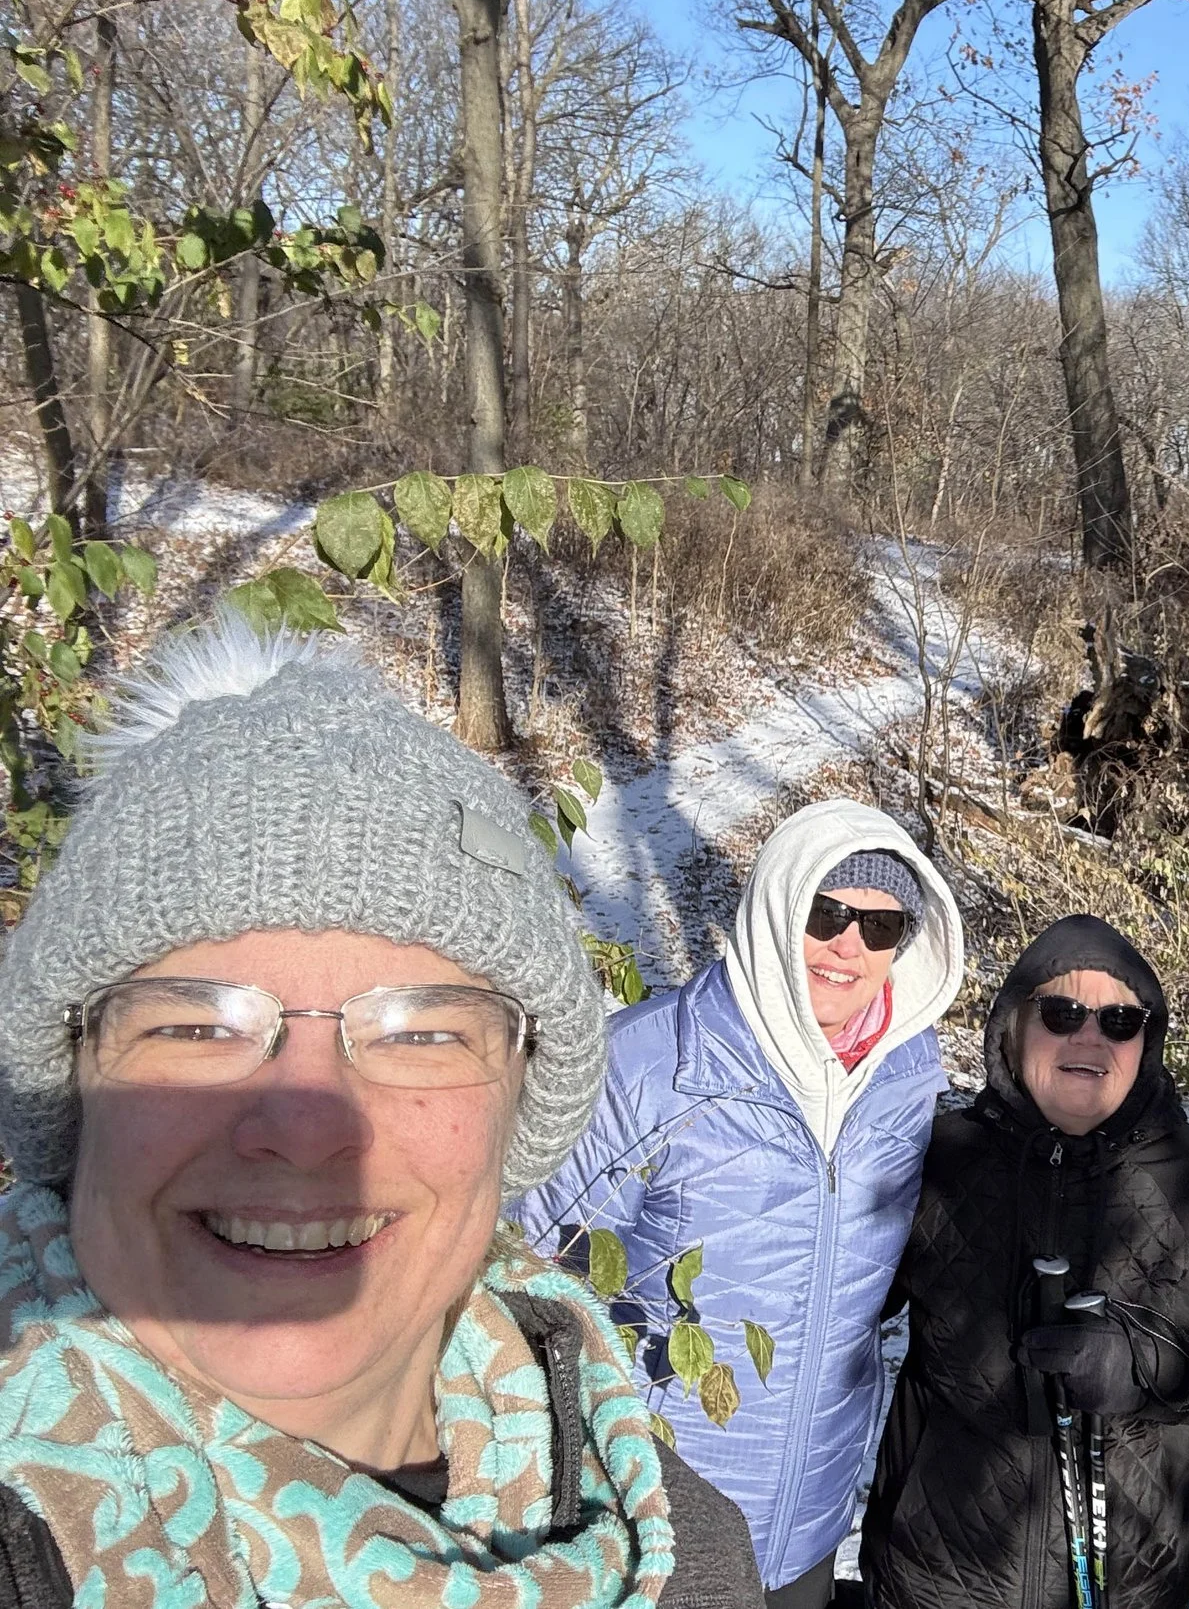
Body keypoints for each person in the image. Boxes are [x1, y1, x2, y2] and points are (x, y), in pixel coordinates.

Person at [0, 612, 762, 1607]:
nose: (308, 1124)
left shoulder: (681, 1552)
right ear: (71, 1084)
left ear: (521, 1104)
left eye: (420, 1030)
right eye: (195, 1026)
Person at [514, 799, 965, 1606]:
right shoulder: (650, 1065)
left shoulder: (906, 1080)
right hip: (656, 1515)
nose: (847, 945)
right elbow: (537, 1288)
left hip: (813, 1519)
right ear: (778, 905)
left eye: (880, 925)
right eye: (826, 912)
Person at [859, 915, 1189, 1609]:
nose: (1089, 1037)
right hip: (937, 1578)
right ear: (1014, 1026)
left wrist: (1151, 1366)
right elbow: (838, 1290)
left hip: (1131, 1585)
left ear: (1145, 1042)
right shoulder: (940, 1154)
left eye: (1120, 1020)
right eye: (1061, 1013)